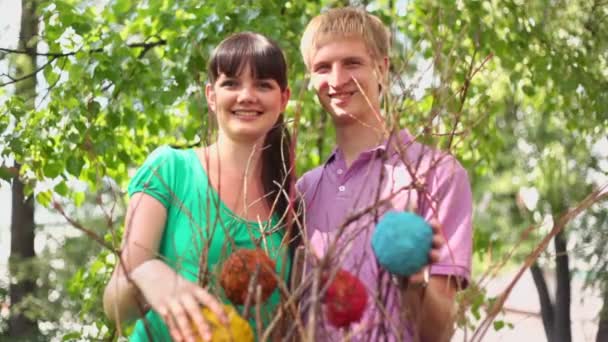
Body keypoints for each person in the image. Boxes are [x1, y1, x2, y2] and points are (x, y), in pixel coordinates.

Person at [103, 32, 294, 342]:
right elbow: (115, 307)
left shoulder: (293, 197)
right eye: (231, 83)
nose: (247, 95)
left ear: (283, 99)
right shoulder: (170, 169)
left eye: (263, 84)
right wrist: (145, 273)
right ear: (211, 95)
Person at [296, 7, 473, 341]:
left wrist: (411, 280)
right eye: (322, 67)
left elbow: (438, 335)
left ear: (382, 68)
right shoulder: (305, 190)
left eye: (352, 63)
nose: (336, 80)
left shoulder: (437, 175)